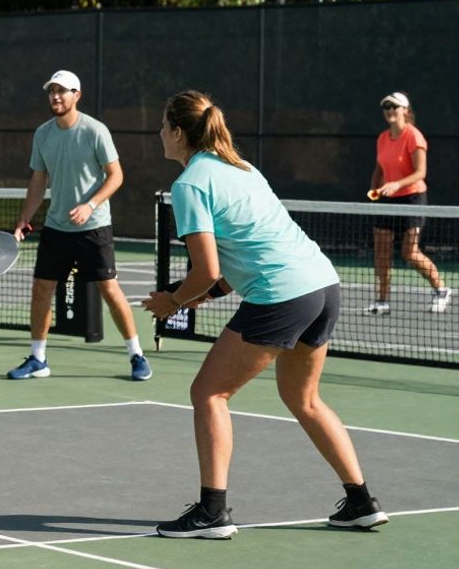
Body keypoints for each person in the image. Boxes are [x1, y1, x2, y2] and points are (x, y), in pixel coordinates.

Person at [142, 90, 388, 539]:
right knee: (304, 398)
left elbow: (208, 268)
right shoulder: (243, 169)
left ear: (178, 134)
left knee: (209, 394)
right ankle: (361, 502)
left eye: (163, 126)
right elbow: (238, 262)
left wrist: (174, 300)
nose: (159, 133)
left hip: (284, 296)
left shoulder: (190, 184)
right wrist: (207, 294)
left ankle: (212, 512)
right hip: (322, 285)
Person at [9, 70, 151, 382]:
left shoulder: (95, 131)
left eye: (63, 91)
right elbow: (38, 179)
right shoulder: (43, 134)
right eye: (52, 91)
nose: (56, 96)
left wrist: (90, 205)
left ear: (77, 95)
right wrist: (25, 218)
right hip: (57, 227)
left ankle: (136, 355)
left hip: (94, 226)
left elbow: (116, 175)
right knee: (41, 289)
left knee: (109, 290)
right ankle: (38, 359)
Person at [367, 91, 450, 315]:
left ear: (405, 110)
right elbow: (379, 168)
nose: (390, 111)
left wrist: (396, 184)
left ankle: (441, 290)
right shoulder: (383, 138)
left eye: (394, 107)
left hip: (413, 198)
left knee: (409, 252)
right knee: (382, 251)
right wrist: (375, 188)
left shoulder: (414, 136)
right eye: (386, 108)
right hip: (387, 198)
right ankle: (382, 301)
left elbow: (420, 172)